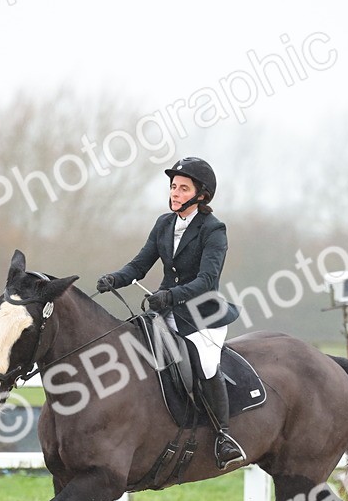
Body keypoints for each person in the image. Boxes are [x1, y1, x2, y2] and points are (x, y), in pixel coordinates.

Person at [96, 157, 247, 470]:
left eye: (183, 188)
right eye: (173, 187)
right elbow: (139, 265)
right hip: (166, 310)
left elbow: (207, 280)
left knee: (206, 364)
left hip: (202, 315)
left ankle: (224, 437)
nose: (175, 193)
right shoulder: (164, 224)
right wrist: (115, 279)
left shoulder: (213, 230)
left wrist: (170, 295)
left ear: (201, 195)